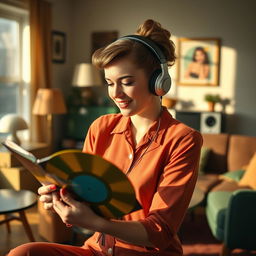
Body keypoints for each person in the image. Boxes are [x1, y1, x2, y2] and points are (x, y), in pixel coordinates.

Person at [7, 19, 202, 256]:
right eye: (110, 83)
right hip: (98, 249)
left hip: (146, 252)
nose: (116, 94)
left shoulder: (183, 139)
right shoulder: (101, 127)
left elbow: (159, 231)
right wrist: (59, 199)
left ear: (158, 82)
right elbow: (85, 196)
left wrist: (94, 223)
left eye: (127, 82)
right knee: (24, 252)